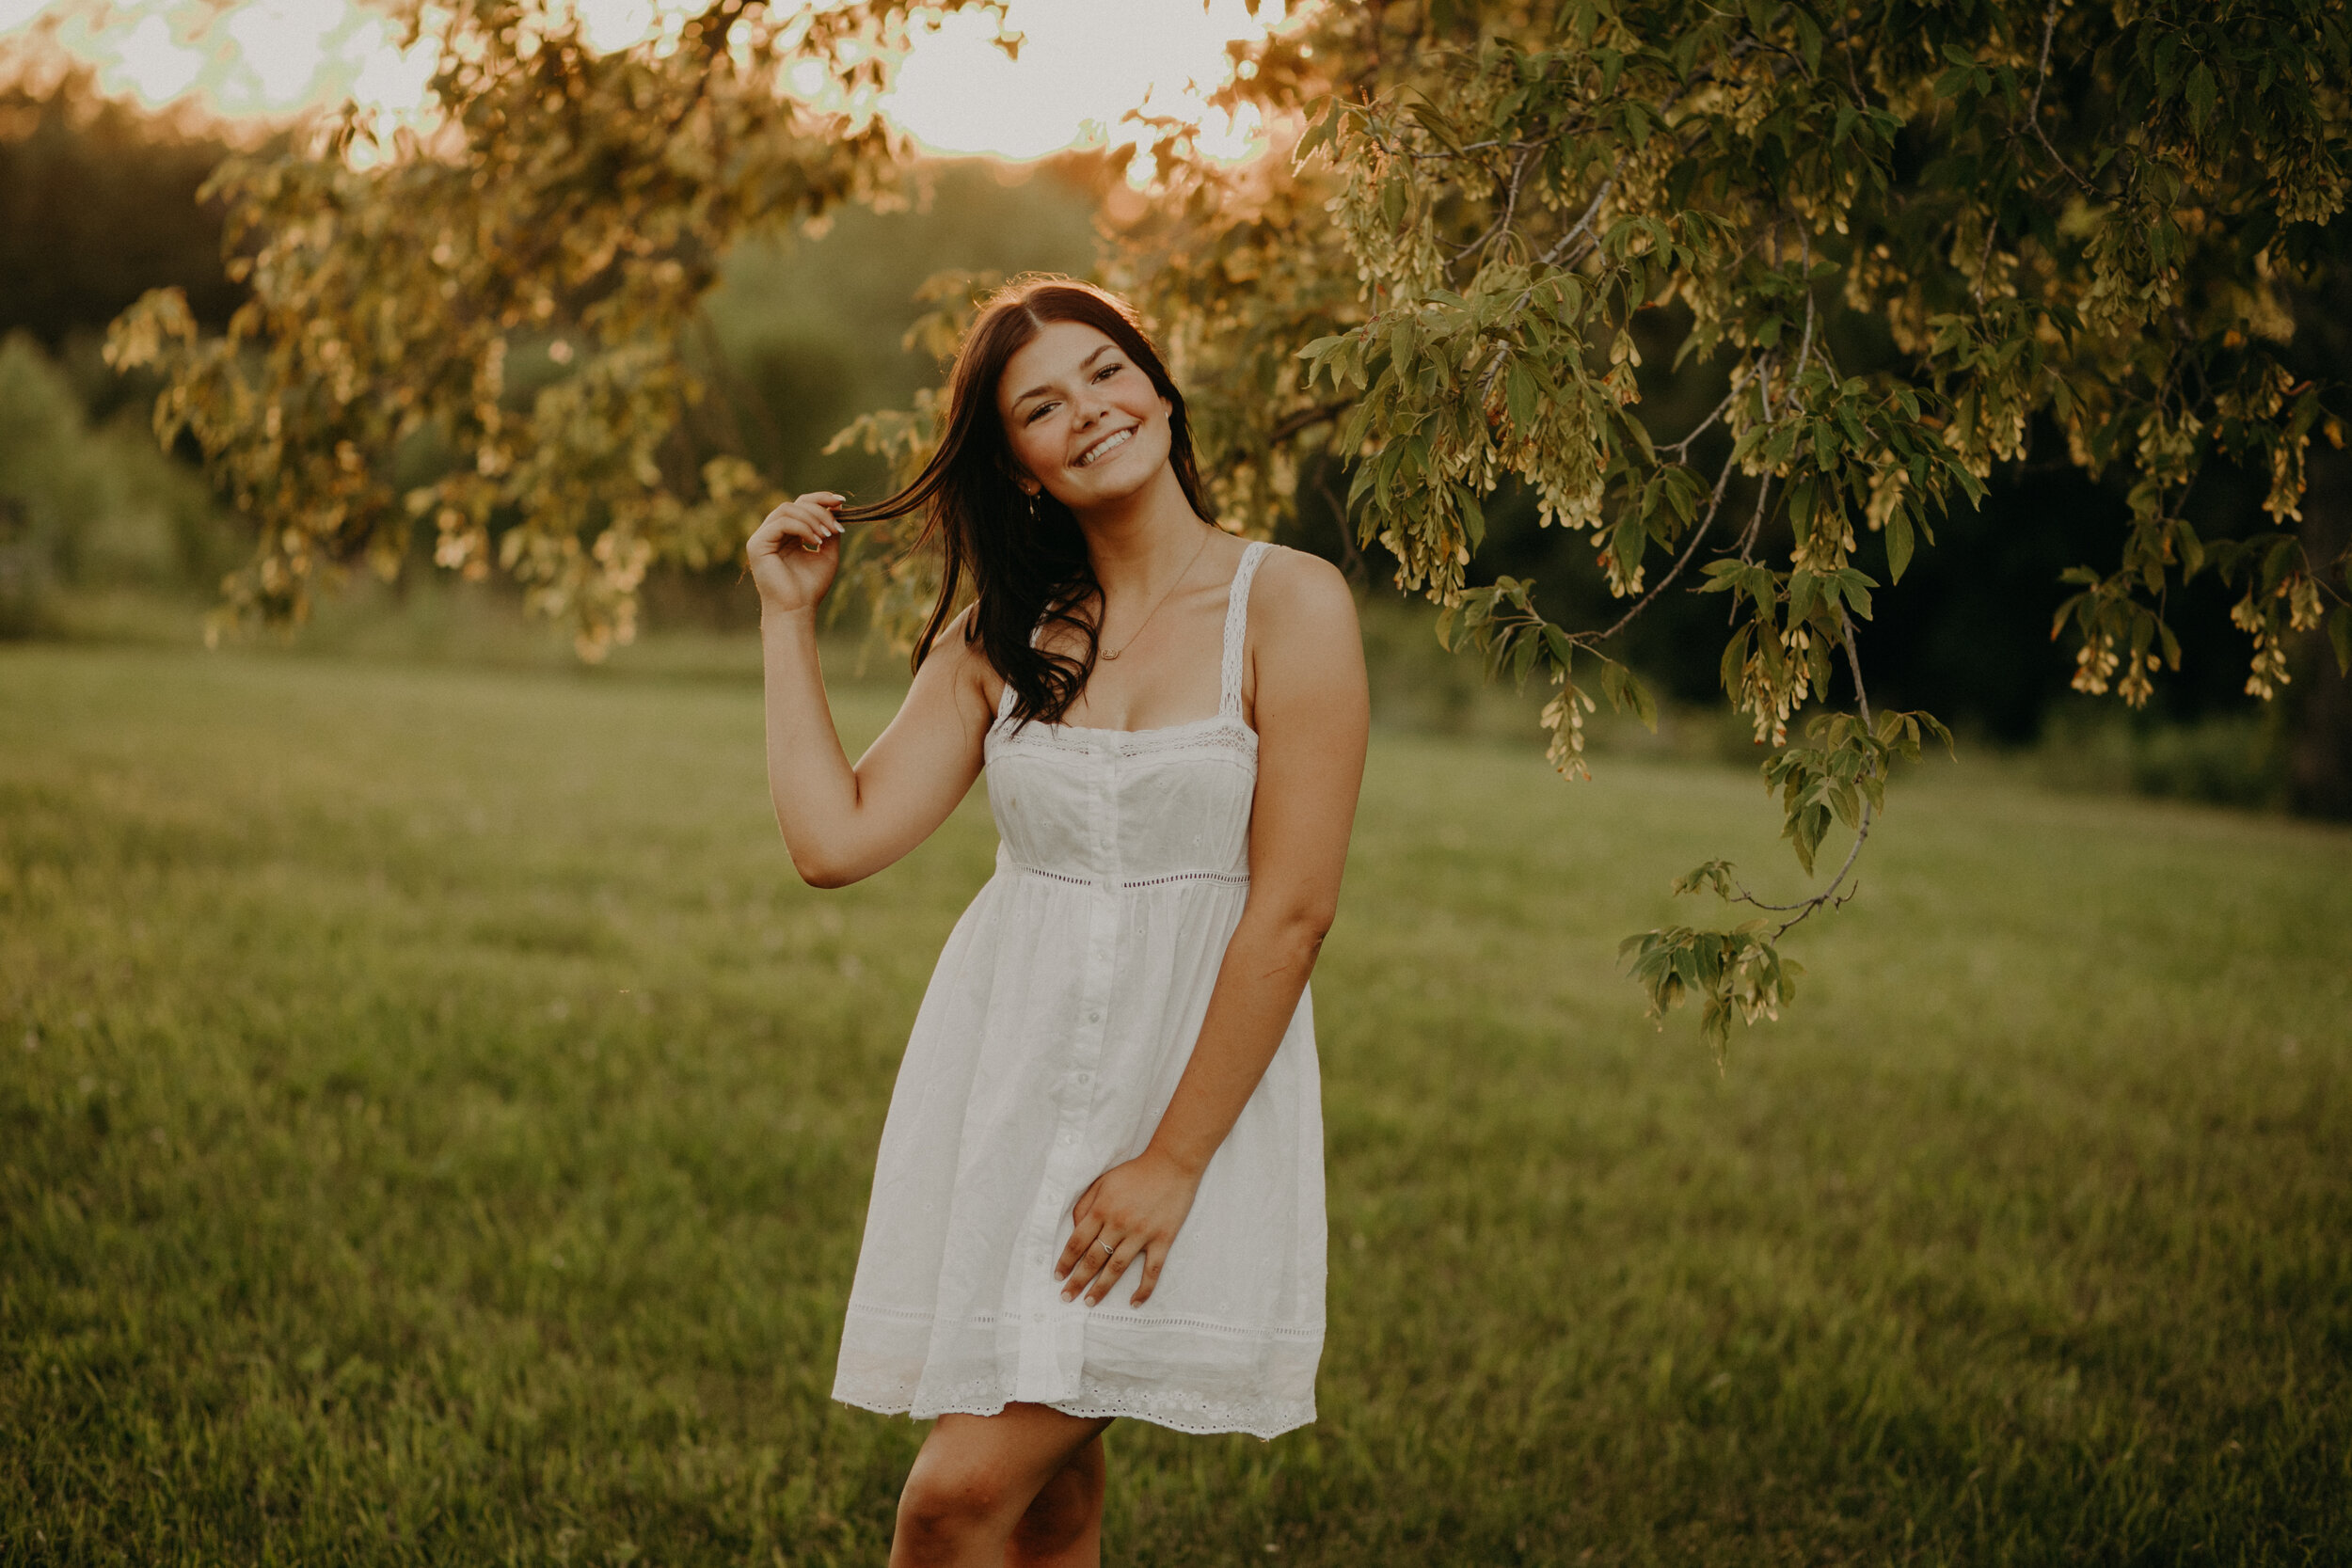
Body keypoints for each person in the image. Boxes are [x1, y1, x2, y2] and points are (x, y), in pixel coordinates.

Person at [744, 277, 1368, 1568]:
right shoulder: (1003, 637)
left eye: (1104, 373)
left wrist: (1171, 1165)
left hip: (1181, 1107)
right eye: (1040, 406)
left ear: (1159, 387)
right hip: (1016, 1096)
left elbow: (1292, 913)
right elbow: (834, 840)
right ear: (1018, 467)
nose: (1085, 412)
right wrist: (785, 622)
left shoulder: (1288, 605)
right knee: (1046, 1508)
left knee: (954, 1502)